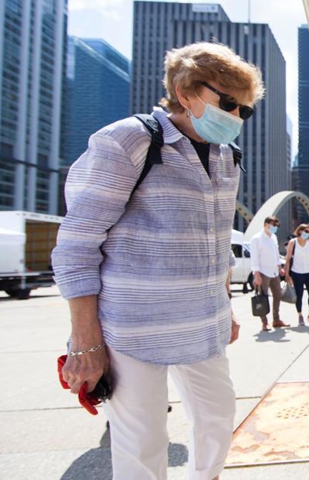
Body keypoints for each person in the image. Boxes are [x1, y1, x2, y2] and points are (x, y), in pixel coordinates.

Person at [52, 42, 264, 479]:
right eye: (228, 104)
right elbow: (76, 246)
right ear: (186, 92)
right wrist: (86, 342)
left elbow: (215, 238)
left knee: (218, 417)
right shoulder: (127, 140)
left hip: (203, 323)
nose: (236, 118)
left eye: (245, 110)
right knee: (142, 442)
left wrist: (225, 307)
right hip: (133, 328)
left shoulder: (229, 157)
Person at [250, 216, 289, 331]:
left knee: (278, 295)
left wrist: (280, 267)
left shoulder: (274, 238)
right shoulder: (256, 238)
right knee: (262, 297)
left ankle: (276, 319)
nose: (275, 228)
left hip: (274, 272)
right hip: (262, 272)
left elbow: (276, 254)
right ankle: (264, 322)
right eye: (273, 225)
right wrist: (256, 274)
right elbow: (254, 258)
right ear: (266, 224)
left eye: (277, 226)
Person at [285, 224, 309, 326]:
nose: (307, 234)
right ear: (300, 231)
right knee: (299, 295)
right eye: (306, 231)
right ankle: (300, 315)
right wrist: (287, 273)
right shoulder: (293, 242)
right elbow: (287, 258)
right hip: (297, 272)